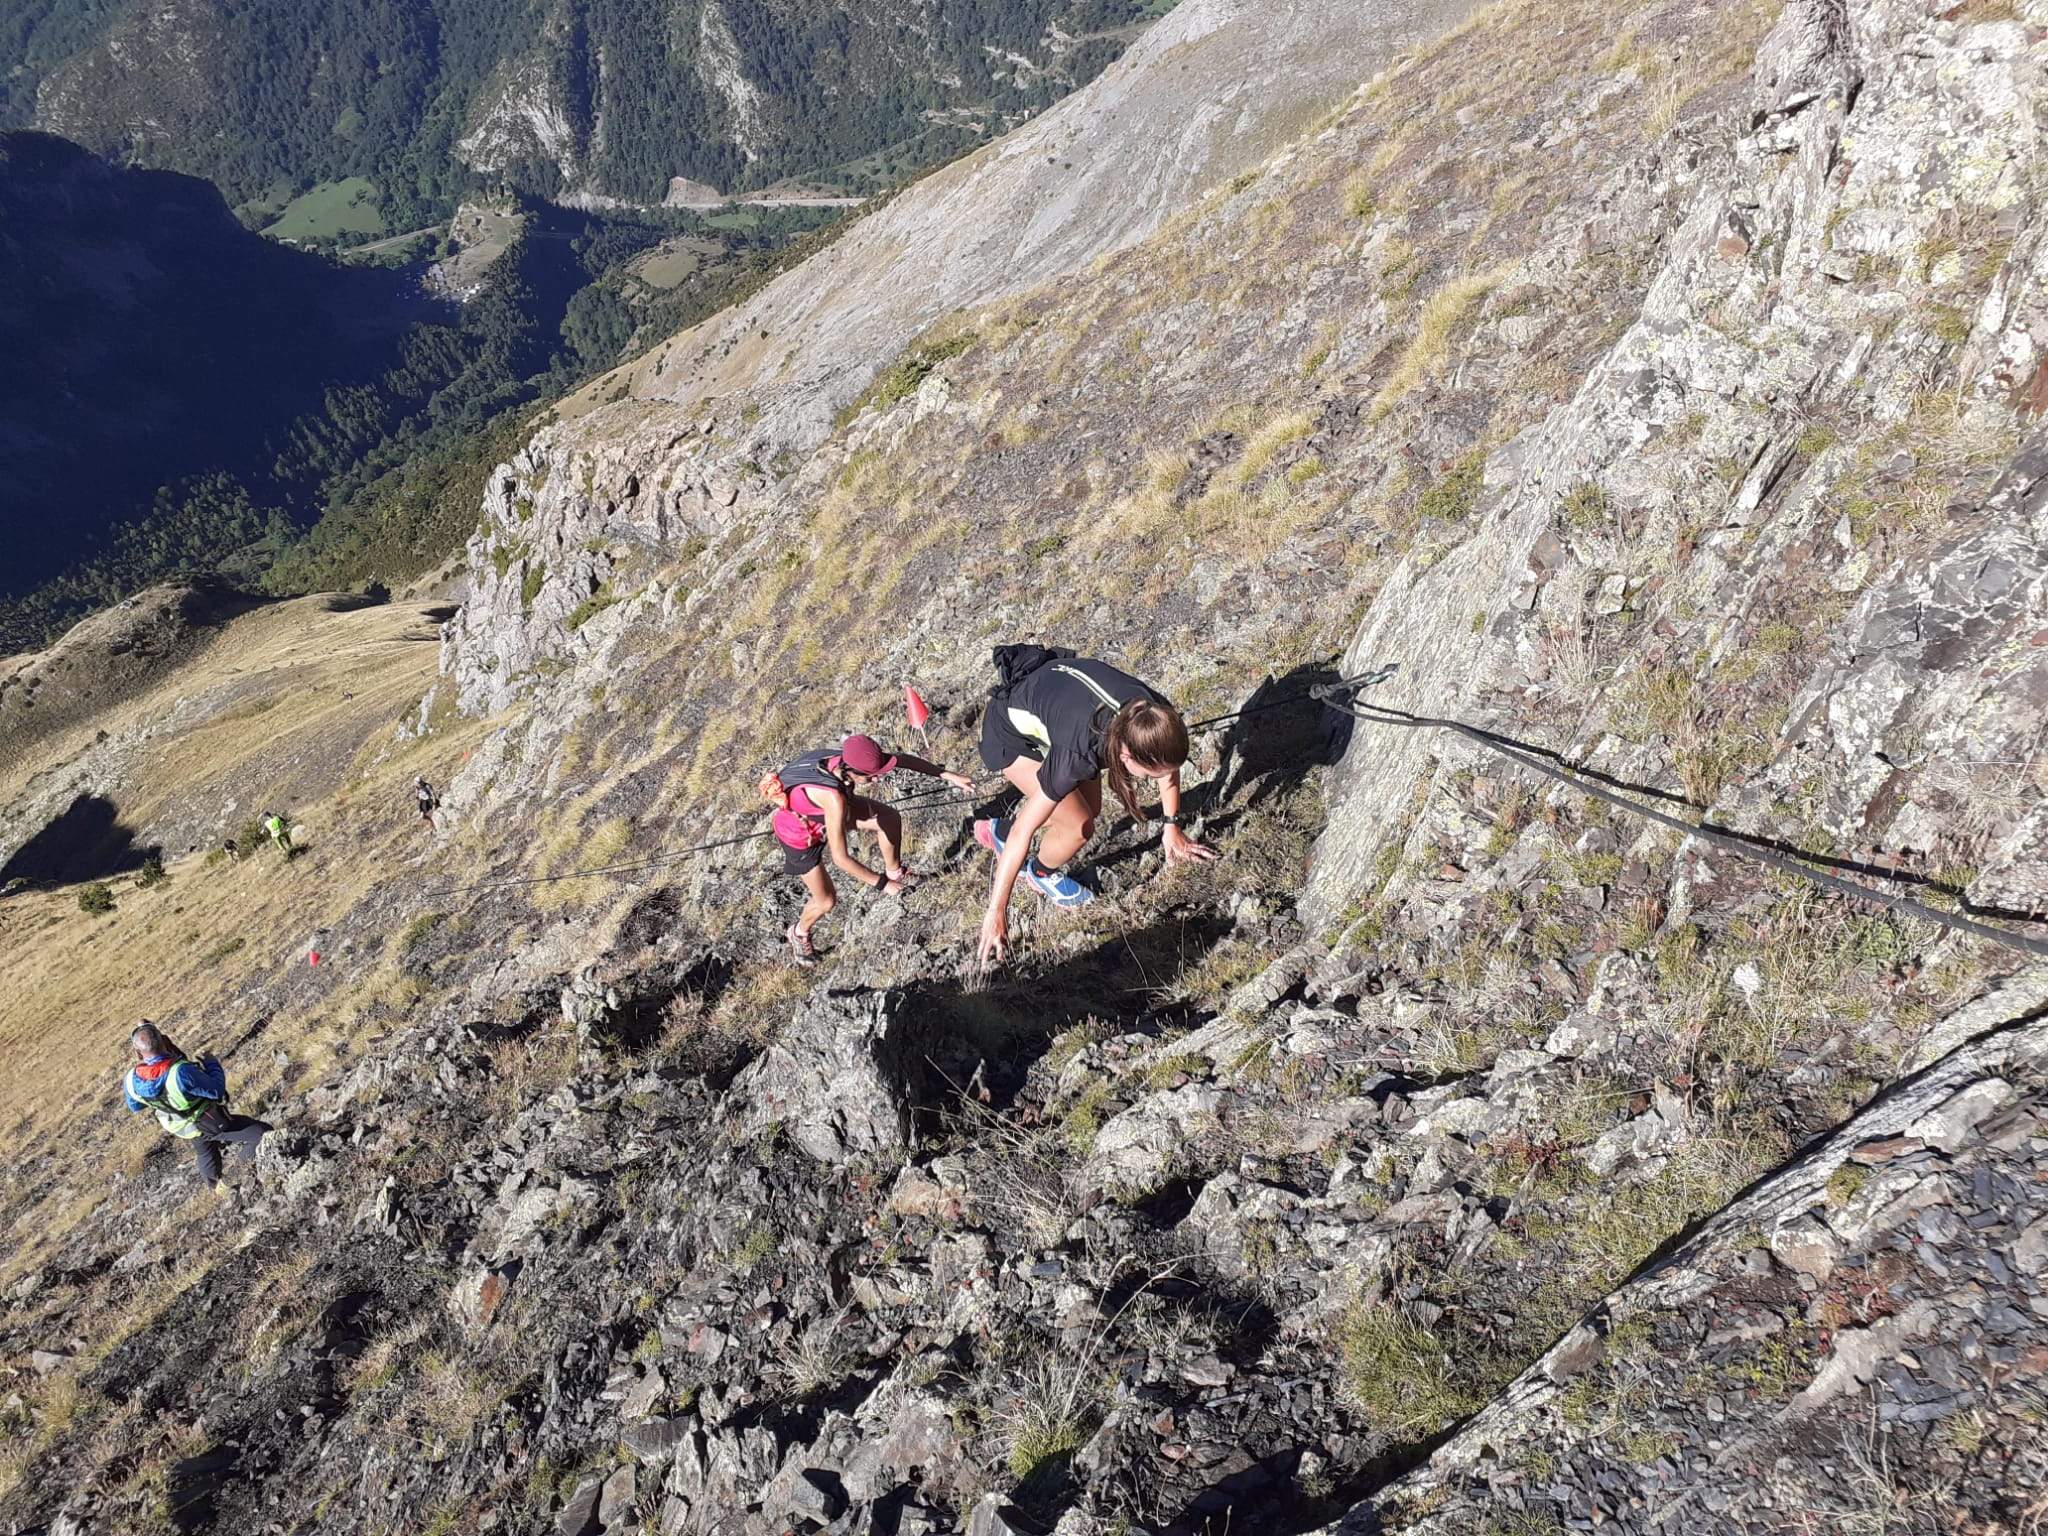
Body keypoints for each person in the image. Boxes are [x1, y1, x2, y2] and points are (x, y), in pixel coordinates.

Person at [973, 645, 1214, 963]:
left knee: (1089, 808)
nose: (1159, 779)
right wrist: (996, 912)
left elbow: (1167, 770)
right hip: (1011, 736)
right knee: (1078, 825)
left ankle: (998, 834)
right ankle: (1041, 875)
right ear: (1126, 756)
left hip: (1055, 709)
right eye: (1149, 774)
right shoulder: (1078, 753)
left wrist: (1172, 827)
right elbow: (1025, 831)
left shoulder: (1153, 714)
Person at [764, 733, 974, 966]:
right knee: (826, 901)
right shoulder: (833, 797)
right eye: (871, 777)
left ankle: (896, 871)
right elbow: (841, 858)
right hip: (799, 838)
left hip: (826, 816)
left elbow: (902, 760)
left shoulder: (848, 759)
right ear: (851, 770)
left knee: (888, 818)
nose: (876, 781)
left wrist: (948, 775)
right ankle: (799, 932)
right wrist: (883, 885)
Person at [123, 1022, 271, 1188]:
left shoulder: (131, 1080)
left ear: (137, 1052)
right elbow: (216, 1091)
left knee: (205, 1150)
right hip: (209, 1121)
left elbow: (136, 1106)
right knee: (262, 1134)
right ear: (163, 1041)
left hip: (182, 1126)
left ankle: (215, 1187)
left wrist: (163, 1097)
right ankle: (233, 1176)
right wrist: (212, 1064)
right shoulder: (180, 1072)